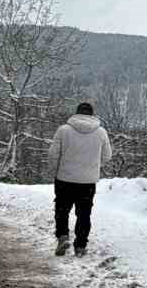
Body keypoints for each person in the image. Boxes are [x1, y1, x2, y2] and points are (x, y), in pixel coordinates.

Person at [48, 102, 112, 256]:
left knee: (62, 210)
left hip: (65, 179)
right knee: (84, 213)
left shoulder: (64, 130)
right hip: (88, 181)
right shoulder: (101, 132)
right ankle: (81, 246)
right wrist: (93, 165)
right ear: (92, 115)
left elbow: (53, 155)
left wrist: (55, 172)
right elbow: (107, 156)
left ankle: (63, 236)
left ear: (76, 113)